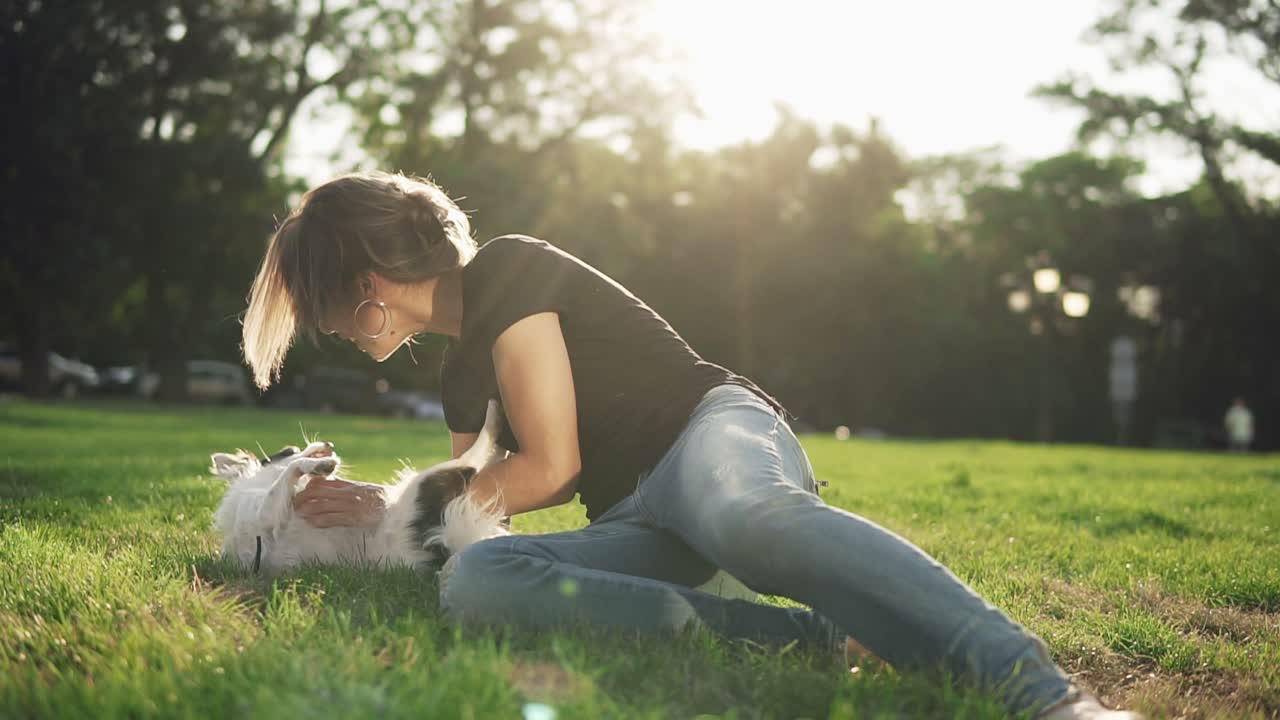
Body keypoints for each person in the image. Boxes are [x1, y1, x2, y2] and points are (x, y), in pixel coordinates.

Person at [241, 171, 1141, 719]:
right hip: (640, 511)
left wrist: (405, 509)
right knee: (475, 584)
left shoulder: (509, 269)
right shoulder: (453, 378)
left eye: (321, 303)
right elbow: (476, 518)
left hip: (713, 435)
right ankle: (817, 643)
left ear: (367, 284)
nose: (326, 326)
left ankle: (1045, 694)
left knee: (749, 523)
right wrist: (361, 514)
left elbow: (546, 467)